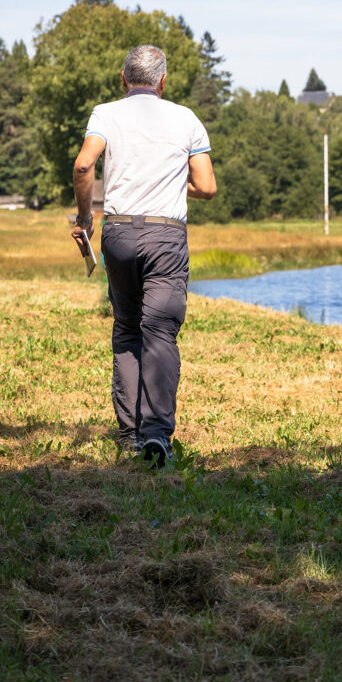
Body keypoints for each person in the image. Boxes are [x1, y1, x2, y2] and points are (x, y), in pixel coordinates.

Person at [71, 44, 216, 467]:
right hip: (166, 237)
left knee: (127, 328)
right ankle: (157, 436)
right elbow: (206, 187)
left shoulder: (105, 113)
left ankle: (130, 436)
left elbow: (84, 166)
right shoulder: (186, 118)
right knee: (160, 331)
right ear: (163, 81)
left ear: (123, 78)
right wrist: (171, 180)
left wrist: (85, 218)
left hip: (117, 234)